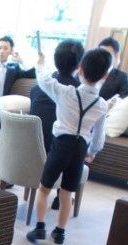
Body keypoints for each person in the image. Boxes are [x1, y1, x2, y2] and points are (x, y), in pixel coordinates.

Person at [26, 48, 111, 245]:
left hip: (61, 144)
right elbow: (99, 135)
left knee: (44, 188)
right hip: (80, 148)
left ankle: (40, 228)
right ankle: (60, 232)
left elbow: (44, 80)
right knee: (67, 192)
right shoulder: (102, 104)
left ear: (80, 70)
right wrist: (93, 151)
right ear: (105, 76)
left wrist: (40, 62)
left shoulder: (66, 93)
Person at [30, 39, 85, 210]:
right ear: (79, 65)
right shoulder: (79, 94)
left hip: (30, 151)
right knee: (77, 140)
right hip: (56, 154)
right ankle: (64, 194)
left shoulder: (37, 88)